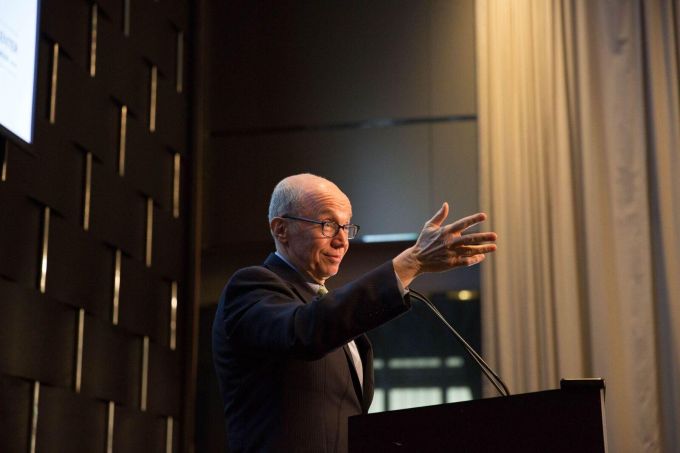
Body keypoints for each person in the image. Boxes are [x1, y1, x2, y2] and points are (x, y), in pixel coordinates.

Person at [212, 173, 497, 452]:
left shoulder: (325, 309)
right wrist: (409, 264)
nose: (341, 240)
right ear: (281, 229)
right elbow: (304, 331)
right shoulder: (250, 286)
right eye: (327, 225)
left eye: (346, 227)